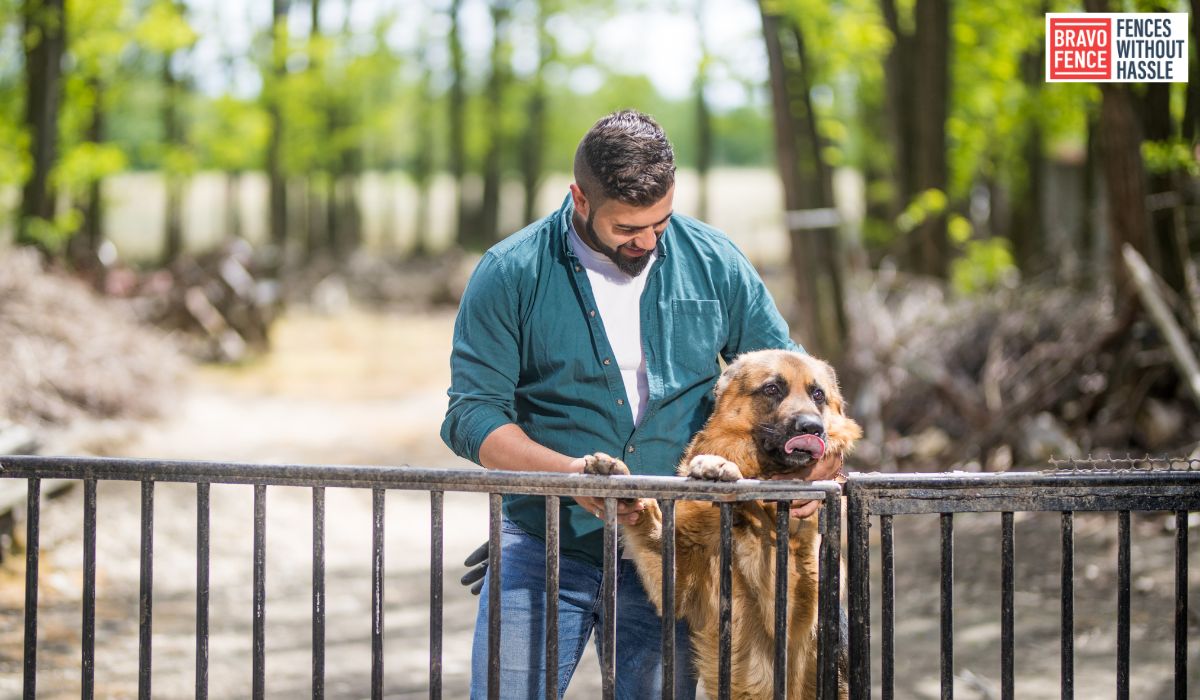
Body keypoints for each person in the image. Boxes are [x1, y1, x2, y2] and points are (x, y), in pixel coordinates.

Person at [441, 109, 808, 699]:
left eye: (660, 223)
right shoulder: (509, 272)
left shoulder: (714, 259)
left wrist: (806, 468)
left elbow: (788, 379)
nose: (647, 241)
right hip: (543, 546)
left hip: (676, 551)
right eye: (627, 228)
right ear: (579, 199)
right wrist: (569, 478)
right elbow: (471, 415)